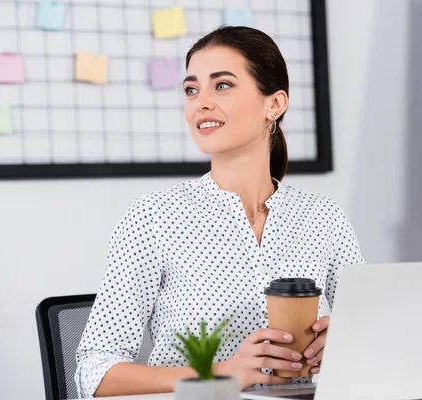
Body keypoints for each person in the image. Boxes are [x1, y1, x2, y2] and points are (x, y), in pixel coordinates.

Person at [75, 26, 364, 398]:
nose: (201, 102)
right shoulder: (154, 218)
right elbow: (94, 373)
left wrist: (339, 344)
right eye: (191, 90)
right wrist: (222, 373)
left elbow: (369, 336)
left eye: (222, 85)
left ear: (274, 104)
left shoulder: (324, 218)